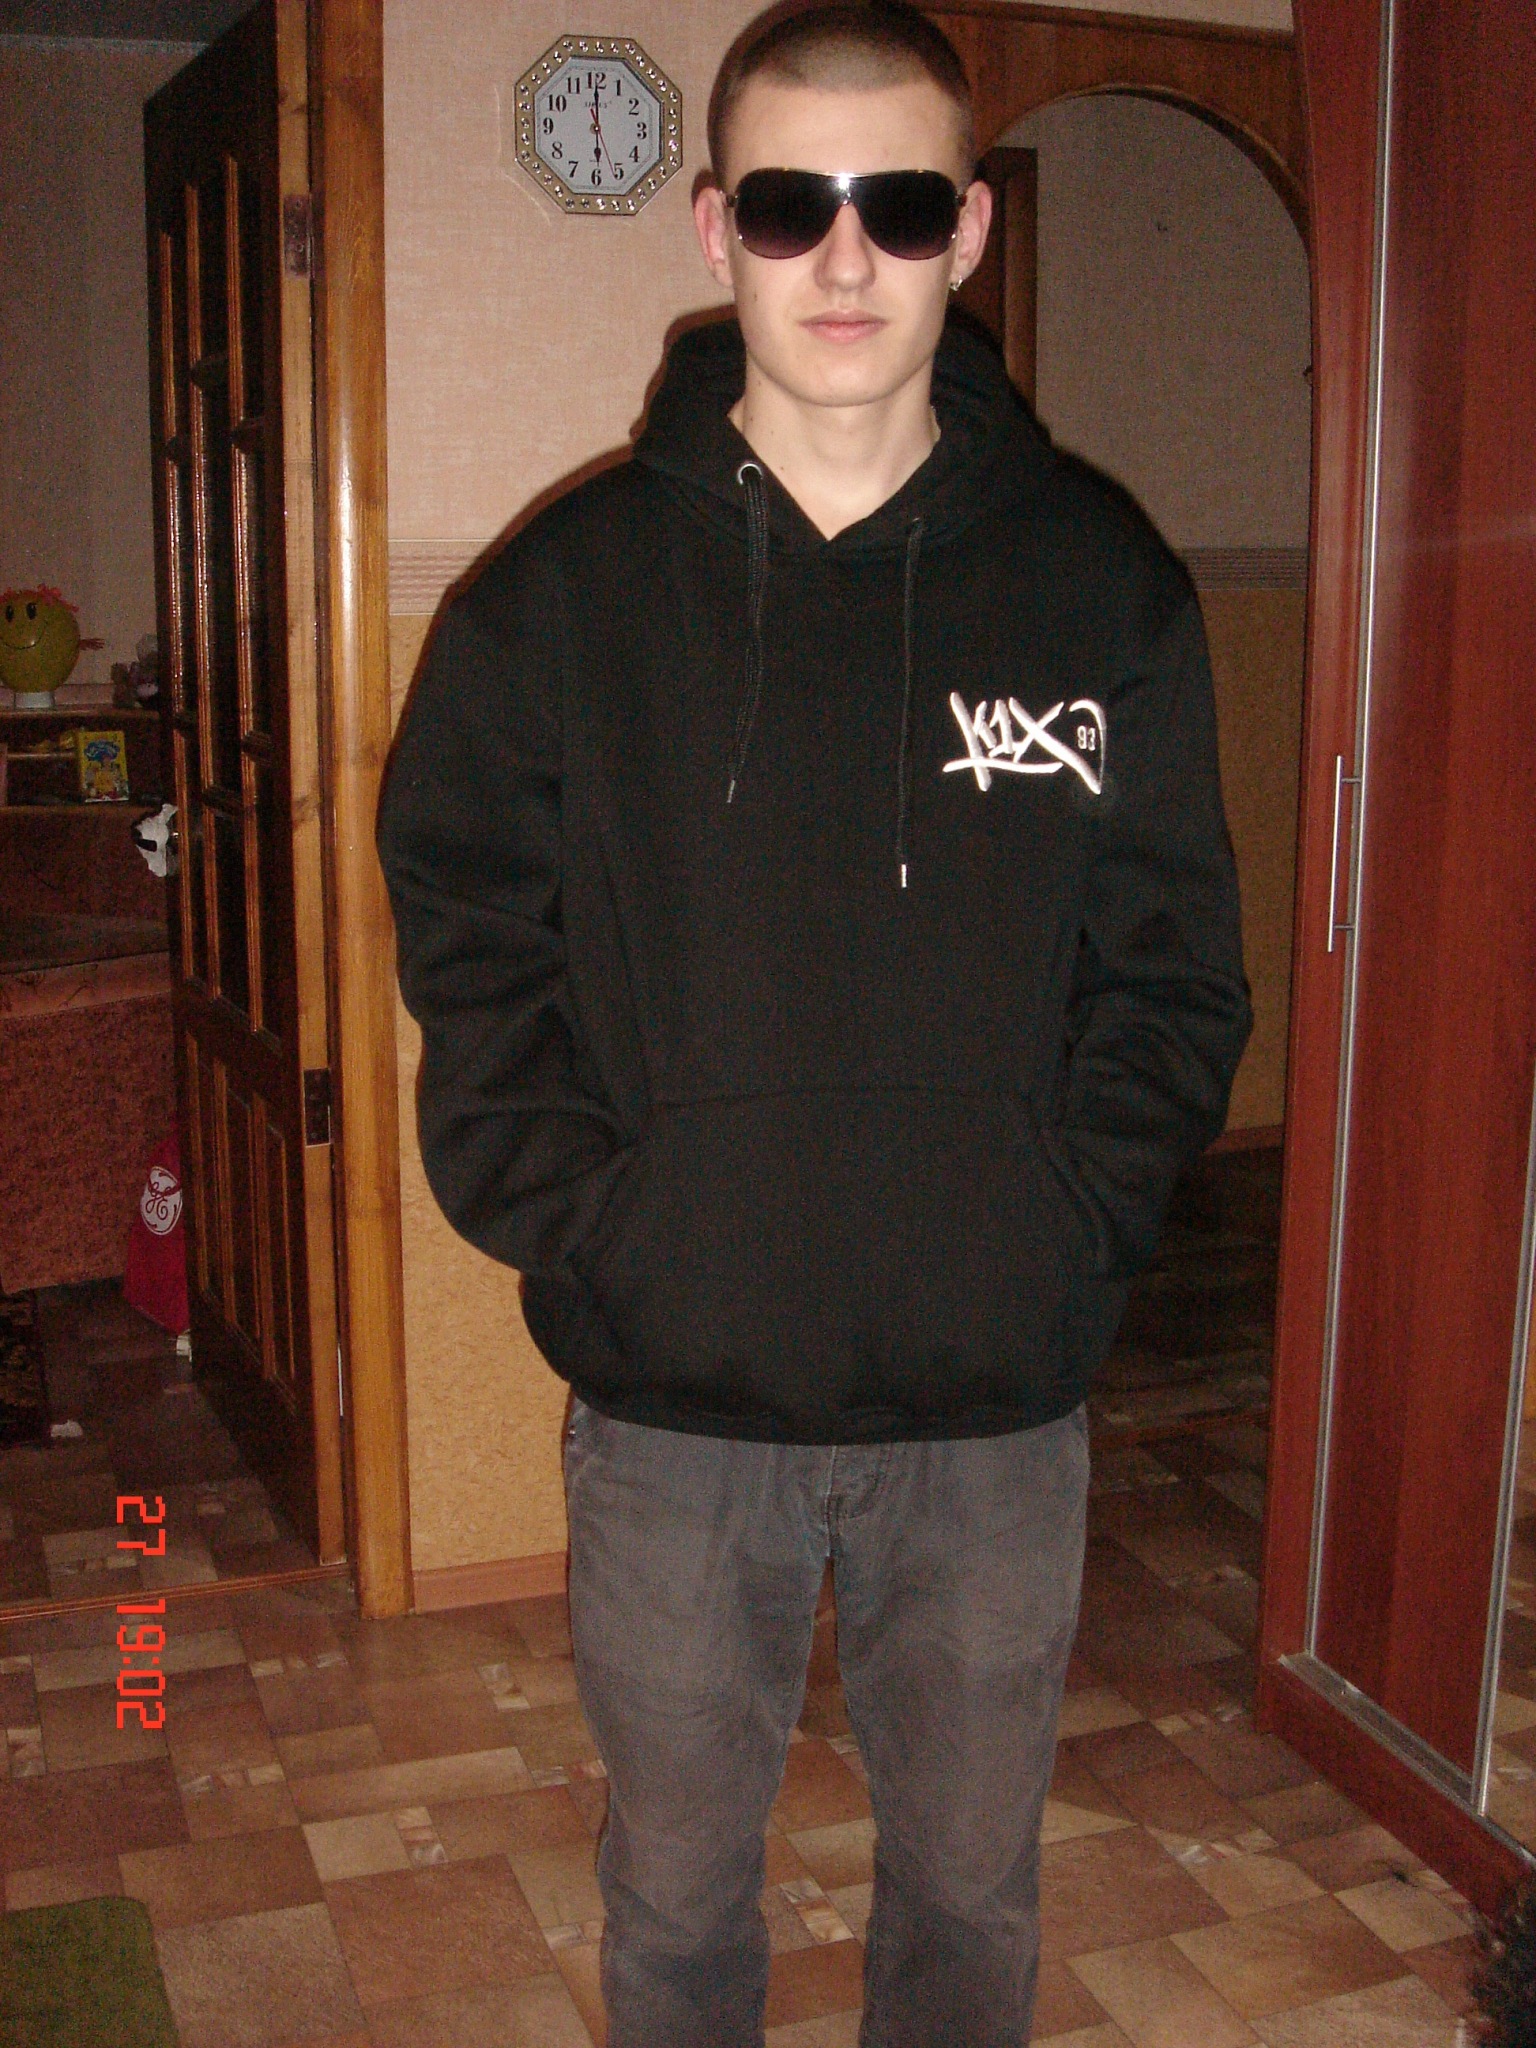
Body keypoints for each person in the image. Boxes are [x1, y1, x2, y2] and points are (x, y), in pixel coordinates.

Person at [378, 4, 1251, 2041]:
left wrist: (1066, 1222)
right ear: (716, 228)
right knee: (678, 1906)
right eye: (791, 203)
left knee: (968, 1909)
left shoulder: (1105, 587)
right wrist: (594, 1223)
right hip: (677, 1414)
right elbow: (469, 936)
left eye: (899, 204)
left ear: (969, 229)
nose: (845, 257)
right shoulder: (559, 599)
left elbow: (1176, 970)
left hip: (992, 1414)